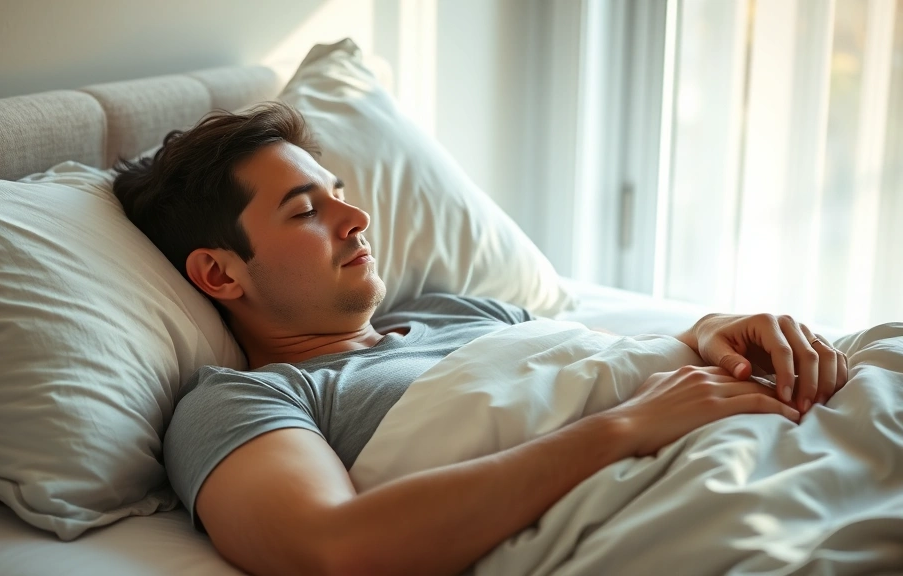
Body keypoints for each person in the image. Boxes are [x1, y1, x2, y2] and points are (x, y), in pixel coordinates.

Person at [112, 102, 849, 576]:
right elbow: (332, 547)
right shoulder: (243, 402)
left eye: (340, 194)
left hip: (797, 428)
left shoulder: (456, 309)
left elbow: (606, 362)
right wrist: (627, 428)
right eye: (307, 211)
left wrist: (712, 331)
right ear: (220, 273)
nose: (356, 218)